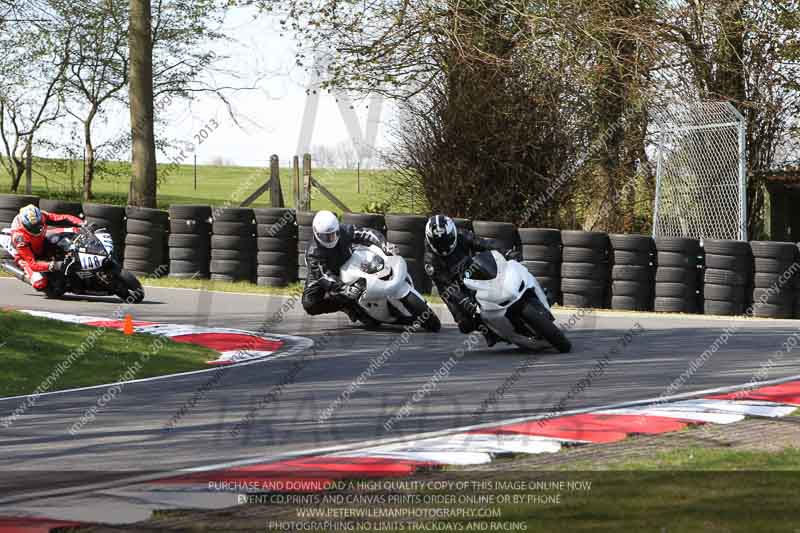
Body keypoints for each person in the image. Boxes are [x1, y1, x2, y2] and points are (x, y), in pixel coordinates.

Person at [424, 214, 520, 346]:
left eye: (446, 240)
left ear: (453, 234)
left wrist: (506, 252)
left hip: (472, 269)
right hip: (451, 287)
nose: (443, 245)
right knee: (465, 325)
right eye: (439, 243)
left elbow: (485, 244)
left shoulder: (462, 235)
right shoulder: (430, 260)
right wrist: (463, 300)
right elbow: (446, 285)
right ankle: (491, 332)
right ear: (430, 240)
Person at [302, 210, 395, 325]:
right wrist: (343, 289)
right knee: (309, 304)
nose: (330, 239)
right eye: (325, 237)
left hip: (347, 261)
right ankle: (346, 305)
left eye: (333, 234)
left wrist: (384, 244)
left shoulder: (344, 230)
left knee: (374, 261)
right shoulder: (313, 252)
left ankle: (389, 282)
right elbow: (323, 276)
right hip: (325, 273)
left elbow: (367, 233)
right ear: (316, 233)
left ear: (337, 230)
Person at [9, 204, 84, 292]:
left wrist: (81, 223)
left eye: (39, 225)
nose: (38, 229)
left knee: (68, 236)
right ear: (25, 225)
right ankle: (29, 275)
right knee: (40, 283)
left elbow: (62, 217)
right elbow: (33, 264)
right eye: (33, 227)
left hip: (40, 243)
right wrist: (55, 265)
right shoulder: (19, 237)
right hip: (26, 256)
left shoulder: (42, 216)